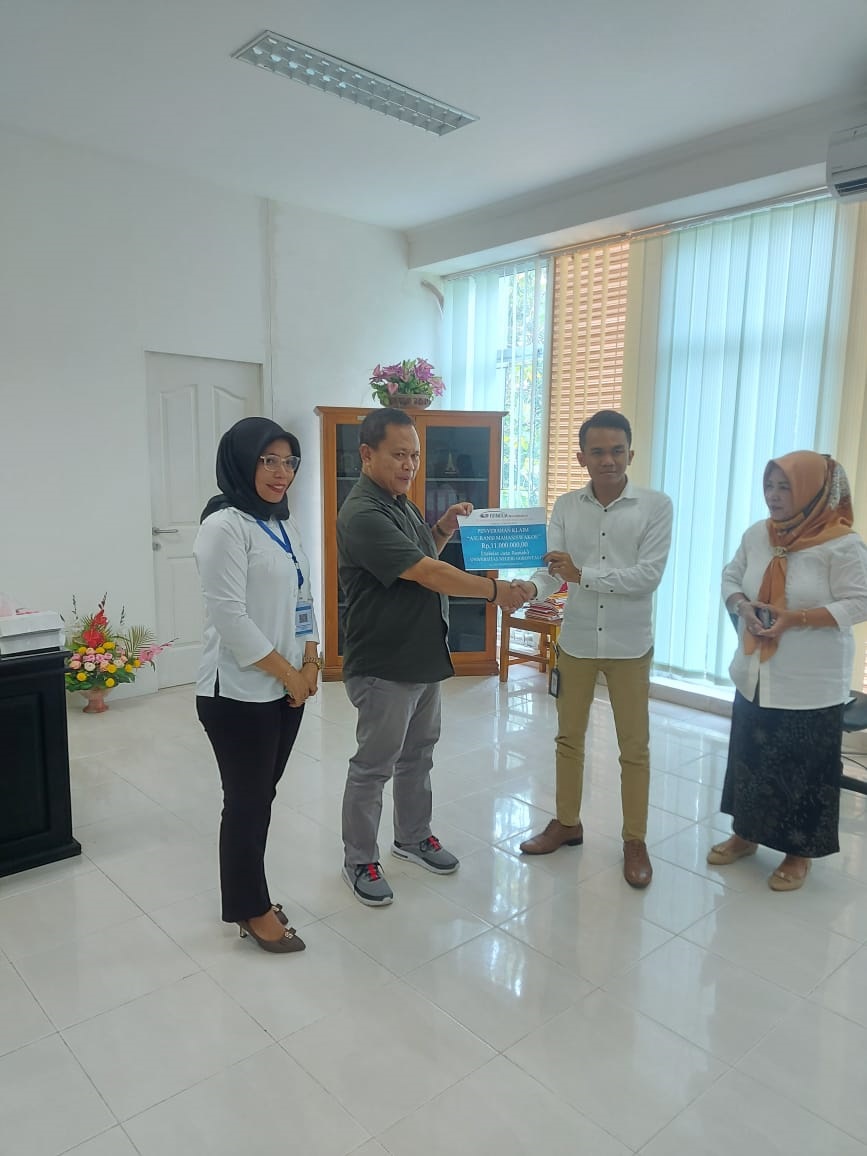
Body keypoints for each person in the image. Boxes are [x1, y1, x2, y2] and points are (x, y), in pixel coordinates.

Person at [337, 407, 525, 906]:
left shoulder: (398, 502)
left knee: (418, 754)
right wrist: (495, 591)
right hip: (384, 662)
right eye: (398, 455)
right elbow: (427, 574)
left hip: (420, 653)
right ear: (366, 454)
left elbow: (423, 558)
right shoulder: (363, 513)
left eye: (415, 456)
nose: (409, 465)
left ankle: (412, 836)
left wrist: (442, 527)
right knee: (374, 765)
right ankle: (359, 860)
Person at [514, 410, 673, 888]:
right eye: (598, 452)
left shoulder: (655, 506)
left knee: (634, 748)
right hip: (578, 641)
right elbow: (551, 572)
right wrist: (527, 589)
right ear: (582, 457)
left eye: (617, 451)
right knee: (568, 738)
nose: (609, 460)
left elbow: (648, 576)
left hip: (629, 645)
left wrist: (582, 574)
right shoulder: (566, 506)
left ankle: (634, 840)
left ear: (631, 453)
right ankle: (567, 823)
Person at [708, 451, 867, 890]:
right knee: (751, 758)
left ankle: (799, 854)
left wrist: (796, 618)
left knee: (804, 768)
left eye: (785, 487)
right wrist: (742, 606)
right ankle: (745, 835)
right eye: (769, 486)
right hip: (756, 672)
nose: (773, 496)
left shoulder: (842, 544)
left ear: (814, 492)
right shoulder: (759, 534)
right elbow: (730, 576)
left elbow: (860, 602)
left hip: (810, 681)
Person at [194, 417, 321, 952]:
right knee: (246, 803)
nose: (280, 472)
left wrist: (311, 660)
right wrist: (289, 672)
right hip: (237, 693)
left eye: (289, 461)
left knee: (260, 798)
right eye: (268, 460)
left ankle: (254, 895)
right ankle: (250, 908)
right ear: (242, 462)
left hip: (285, 689)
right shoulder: (224, 526)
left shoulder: (283, 525)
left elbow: (304, 598)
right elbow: (231, 618)